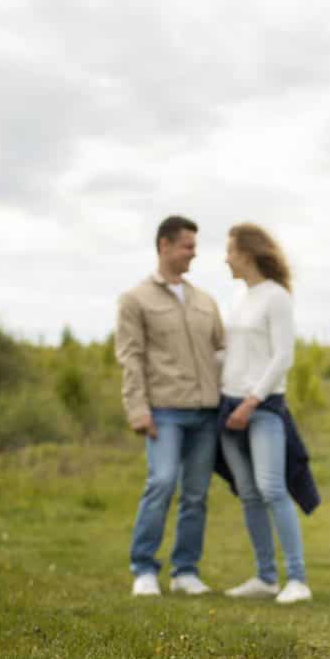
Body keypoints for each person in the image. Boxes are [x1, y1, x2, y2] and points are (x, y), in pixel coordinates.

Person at [115, 215, 225, 596]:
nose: (193, 253)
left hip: (206, 412)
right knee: (161, 483)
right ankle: (144, 569)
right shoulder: (135, 300)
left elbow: (222, 351)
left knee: (195, 494)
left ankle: (185, 571)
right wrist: (137, 409)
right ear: (164, 245)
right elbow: (130, 357)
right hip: (164, 411)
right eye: (187, 246)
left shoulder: (205, 301)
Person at [216, 222, 318, 604]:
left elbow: (282, 357)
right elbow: (233, 354)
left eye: (230, 250)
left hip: (262, 409)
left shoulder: (276, 297)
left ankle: (298, 580)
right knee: (248, 493)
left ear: (246, 253)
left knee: (272, 488)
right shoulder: (238, 296)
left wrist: (251, 402)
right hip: (227, 408)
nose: (225, 258)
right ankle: (265, 577)